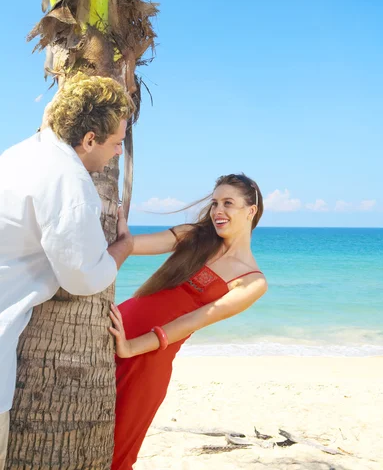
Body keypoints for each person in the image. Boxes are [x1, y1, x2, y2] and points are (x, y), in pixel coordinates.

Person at [0, 73, 135, 470]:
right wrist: (122, 248)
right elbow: (82, 277)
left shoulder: (19, 153)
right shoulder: (69, 182)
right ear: (90, 139)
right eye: (115, 144)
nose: (115, 155)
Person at [109, 173, 268, 470]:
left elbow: (192, 320)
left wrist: (131, 347)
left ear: (251, 210)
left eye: (228, 203)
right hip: (112, 328)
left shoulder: (251, 281)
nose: (218, 211)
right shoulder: (193, 236)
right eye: (215, 203)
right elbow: (129, 246)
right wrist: (115, 228)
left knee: (116, 453)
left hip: (145, 358)